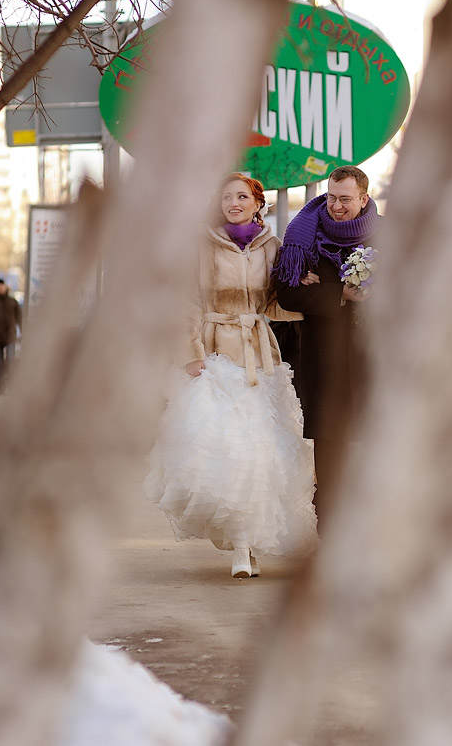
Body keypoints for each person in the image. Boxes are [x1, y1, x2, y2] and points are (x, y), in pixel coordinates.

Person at [145, 173, 317, 579]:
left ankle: (249, 546)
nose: (234, 203)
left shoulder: (272, 246)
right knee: (223, 449)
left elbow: (276, 304)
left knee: (263, 452)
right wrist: (190, 353)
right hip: (215, 354)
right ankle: (240, 546)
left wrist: (313, 295)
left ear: (258, 202)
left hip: (259, 357)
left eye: (242, 196)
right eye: (226, 197)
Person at [272, 165, 380, 526]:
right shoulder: (304, 234)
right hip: (323, 354)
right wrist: (339, 293)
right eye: (331, 197)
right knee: (331, 439)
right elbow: (286, 292)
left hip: (374, 356)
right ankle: (330, 525)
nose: (336, 206)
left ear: (363, 198)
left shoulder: (386, 236)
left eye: (345, 199)